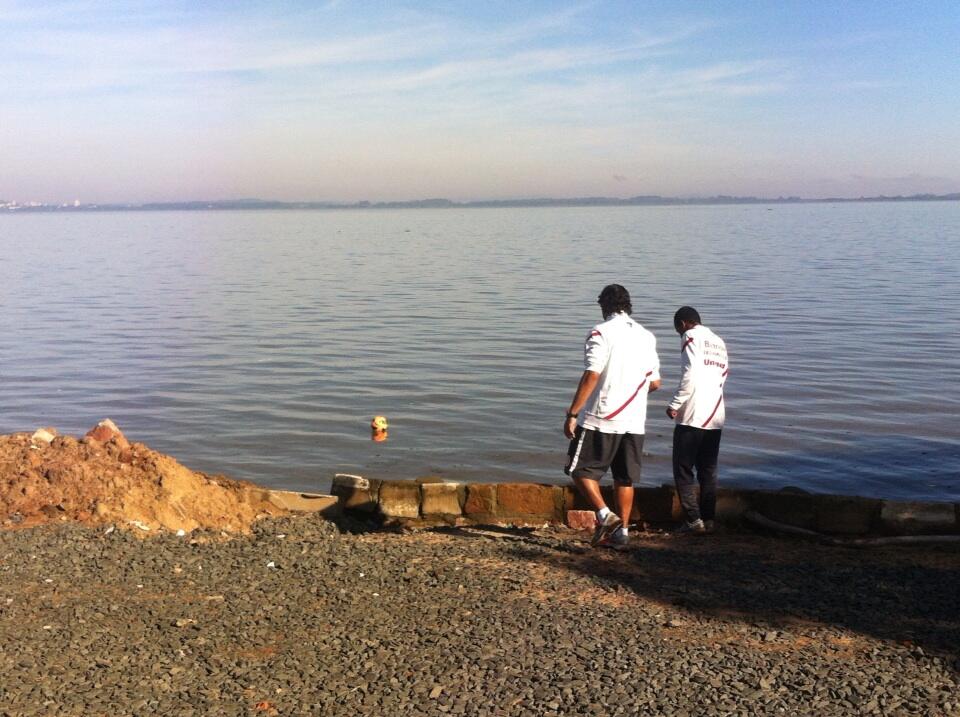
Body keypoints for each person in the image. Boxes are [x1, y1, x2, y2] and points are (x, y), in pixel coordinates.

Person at [564, 284, 661, 547]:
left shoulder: (601, 332)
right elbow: (655, 383)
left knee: (578, 469)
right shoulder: (646, 336)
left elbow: (592, 374)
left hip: (602, 415)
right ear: (628, 305)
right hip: (635, 419)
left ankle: (605, 515)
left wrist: (573, 413)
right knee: (624, 478)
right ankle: (622, 534)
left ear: (604, 306)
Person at [666, 306, 729, 534]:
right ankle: (709, 519)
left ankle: (693, 521)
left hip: (693, 414)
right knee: (708, 470)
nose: (679, 335)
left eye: (678, 331)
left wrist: (675, 403)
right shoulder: (718, 341)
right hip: (716, 414)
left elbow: (690, 373)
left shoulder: (690, 337)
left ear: (683, 324)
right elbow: (723, 374)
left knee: (683, 470)